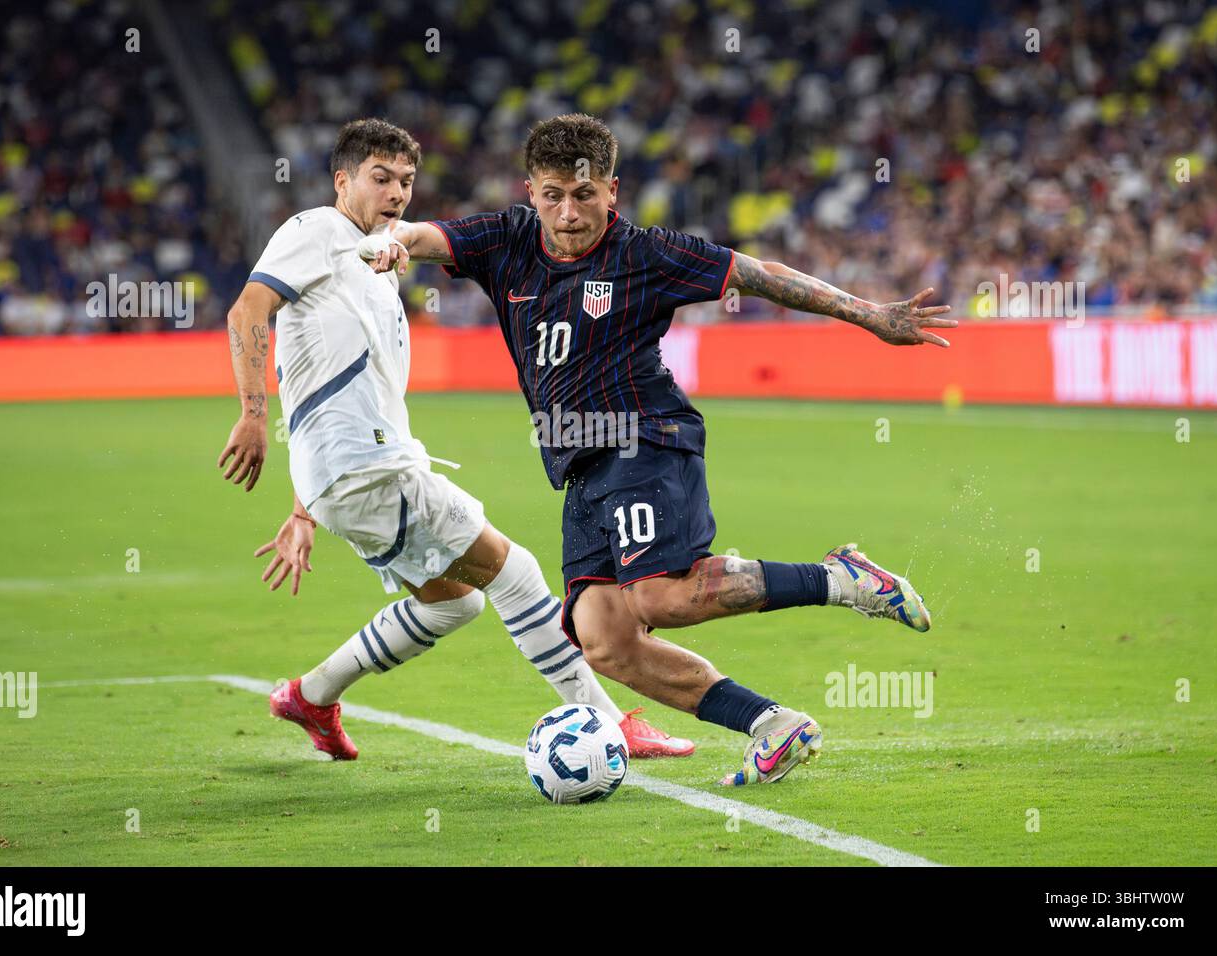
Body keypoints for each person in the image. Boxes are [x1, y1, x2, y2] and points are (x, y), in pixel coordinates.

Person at [366, 113, 956, 786]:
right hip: (579, 469)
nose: (568, 212)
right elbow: (422, 233)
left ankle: (842, 579)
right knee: (604, 640)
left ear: (611, 191)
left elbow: (759, 275)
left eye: (584, 195)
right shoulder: (502, 240)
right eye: (553, 194)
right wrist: (394, 243)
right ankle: (772, 723)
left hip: (643, 436)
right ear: (531, 191)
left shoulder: (644, 254)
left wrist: (871, 315)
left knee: (659, 597)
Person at [216, 119, 693, 762]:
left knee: (452, 604)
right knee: (516, 573)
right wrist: (252, 415)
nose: (396, 193)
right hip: (368, 470)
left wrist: (306, 504)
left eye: (406, 182)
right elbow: (246, 311)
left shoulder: (377, 261)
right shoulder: (315, 232)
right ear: (342, 180)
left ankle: (312, 695)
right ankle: (609, 723)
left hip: (350, 473)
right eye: (379, 178)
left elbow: (334, 381)